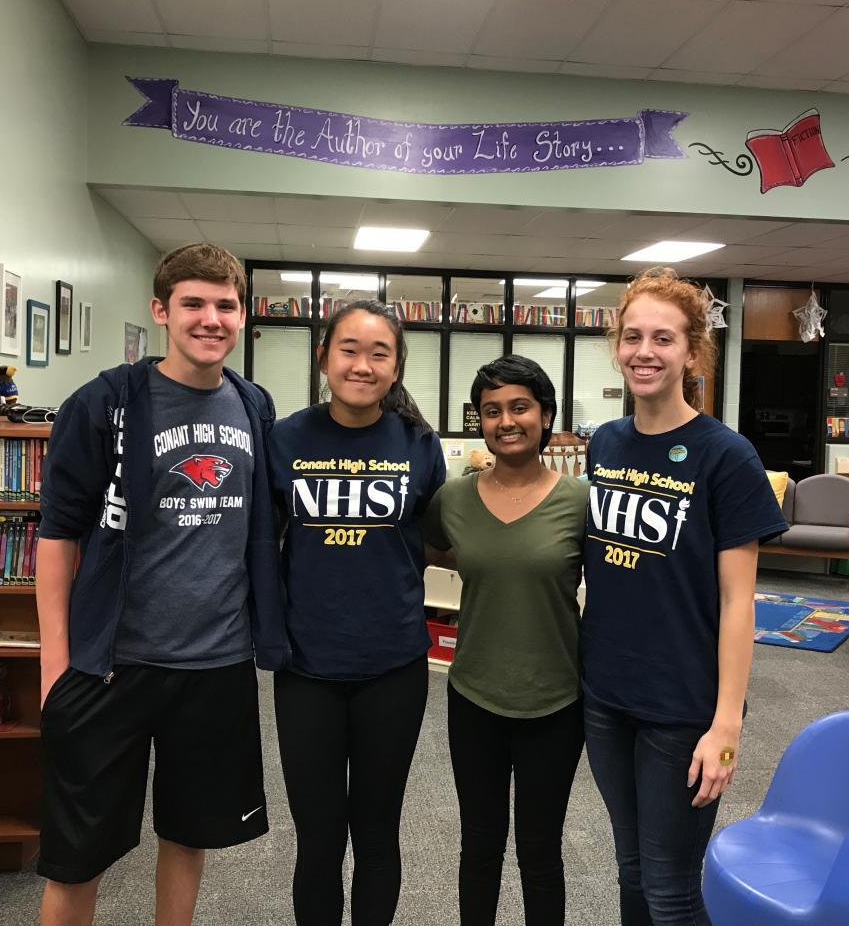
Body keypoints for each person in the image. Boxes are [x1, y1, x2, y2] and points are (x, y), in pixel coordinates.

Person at [35, 244, 285, 926]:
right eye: (192, 303)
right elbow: (57, 535)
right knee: (77, 855)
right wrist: (55, 668)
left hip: (215, 663)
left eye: (225, 305)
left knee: (188, 833)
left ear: (243, 314)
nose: (211, 319)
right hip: (111, 665)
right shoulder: (105, 403)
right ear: (161, 311)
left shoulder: (253, 405)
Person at [581, 267, 788, 925]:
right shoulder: (605, 443)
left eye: (663, 339)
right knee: (631, 871)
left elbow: (739, 602)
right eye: (633, 336)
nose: (645, 352)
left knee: (670, 890)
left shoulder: (725, 456)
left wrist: (726, 726)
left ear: (692, 353)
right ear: (617, 345)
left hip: (684, 708)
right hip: (606, 695)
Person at [267, 299, 446, 926]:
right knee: (318, 838)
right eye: (349, 350)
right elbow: (262, 542)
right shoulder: (285, 438)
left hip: (393, 666)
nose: (362, 365)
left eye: (379, 354)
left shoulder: (419, 443)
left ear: (396, 368)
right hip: (306, 667)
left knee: (377, 832)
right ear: (324, 358)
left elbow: (434, 540)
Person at [423, 355, 588, 926]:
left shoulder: (579, 501)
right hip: (474, 697)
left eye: (520, 407)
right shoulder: (453, 498)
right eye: (491, 411)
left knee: (540, 850)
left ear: (546, 415)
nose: (506, 421)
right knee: (480, 844)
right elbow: (425, 554)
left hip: (556, 700)